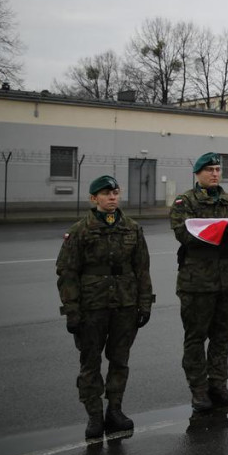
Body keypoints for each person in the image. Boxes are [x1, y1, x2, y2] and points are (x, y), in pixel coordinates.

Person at [56, 175, 154, 438]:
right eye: (105, 193)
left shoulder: (132, 228)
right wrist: (72, 310)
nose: (112, 197)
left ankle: (115, 410)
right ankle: (94, 415)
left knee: (119, 360)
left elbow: (142, 269)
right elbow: (67, 273)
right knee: (90, 363)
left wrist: (144, 303)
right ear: (93, 198)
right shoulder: (80, 231)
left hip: (125, 304)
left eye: (115, 193)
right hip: (92, 307)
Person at [171, 152, 228, 411]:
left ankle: (218, 384)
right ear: (197, 174)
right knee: (195, 338)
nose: (215, 174)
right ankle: (198, 390)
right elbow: (186, 235)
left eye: (218, 169)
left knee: (221, 337)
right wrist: (224, 231)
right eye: (209, 170)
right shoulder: (185, 202)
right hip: (197, 283)